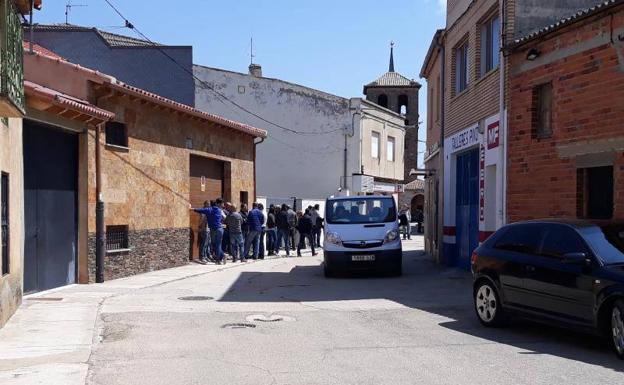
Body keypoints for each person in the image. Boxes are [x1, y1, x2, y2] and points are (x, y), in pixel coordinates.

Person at [191, 198, 225, 264]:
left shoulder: (209, 209)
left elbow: (199, 210)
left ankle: (219, 259)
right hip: (220, 229)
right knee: (218, 244)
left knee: (215, 245)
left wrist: (191, 208)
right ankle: (222, 256)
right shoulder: (219, 210)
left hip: (213, 230)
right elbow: (224, 217)